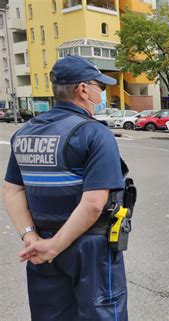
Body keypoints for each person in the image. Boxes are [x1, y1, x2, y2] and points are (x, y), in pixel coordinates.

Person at [2, 55, 130, 321]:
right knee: (102, 313)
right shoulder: (94, 133)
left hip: (42, 244)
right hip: (89, 246)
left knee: (51, 315)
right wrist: (55, 246)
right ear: (83, 89)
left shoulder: (24, 134)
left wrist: (32, 238)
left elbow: (12, 190)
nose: (102, 93)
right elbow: (94, 203)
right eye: (100, 86)